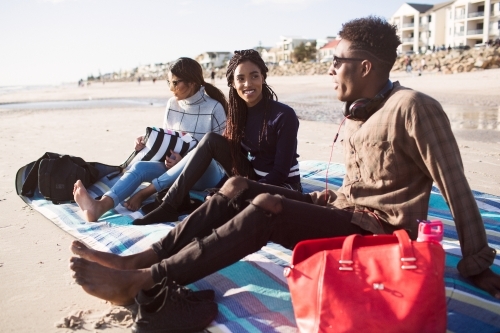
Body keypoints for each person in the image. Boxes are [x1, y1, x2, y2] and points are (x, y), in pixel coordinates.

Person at [70, 16, 500, 320]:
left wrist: (477, 263)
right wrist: (325, 199)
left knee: (268, 204)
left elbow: (455, 184)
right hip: (347, 214)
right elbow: (364, 184)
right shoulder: (359, 113)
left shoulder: (415, 108)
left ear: (366, 67)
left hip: (381, 235)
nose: (330, 70)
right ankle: (144, 257)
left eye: (339, 62)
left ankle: (146, 278)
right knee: (238, 184)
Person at [132, 49, 301, 225]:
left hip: (281, 186)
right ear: (233, 83)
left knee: (221, 208)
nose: (247, 84)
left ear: (263, 77)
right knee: (211, 140)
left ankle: (178, 203)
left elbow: (280, 173)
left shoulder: (284, 115)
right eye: (240, 79)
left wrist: (240, 188)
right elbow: (233, 157)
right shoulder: (238, 114)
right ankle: (171, 204)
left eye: (254, 76)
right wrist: (227, 186)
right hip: (253, 176)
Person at [73, 57, 228, 222]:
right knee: (140, 167)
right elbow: (170, 139)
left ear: (192, 83)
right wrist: (148, 144)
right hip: (176, 171)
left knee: (199, 151)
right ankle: (99, 206)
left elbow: (220, 154)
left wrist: (184, 160)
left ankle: (144, 193)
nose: (171, 88)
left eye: (175, 83)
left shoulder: (214, 108)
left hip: (208, 174)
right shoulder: (172, 105)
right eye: (168, 82)